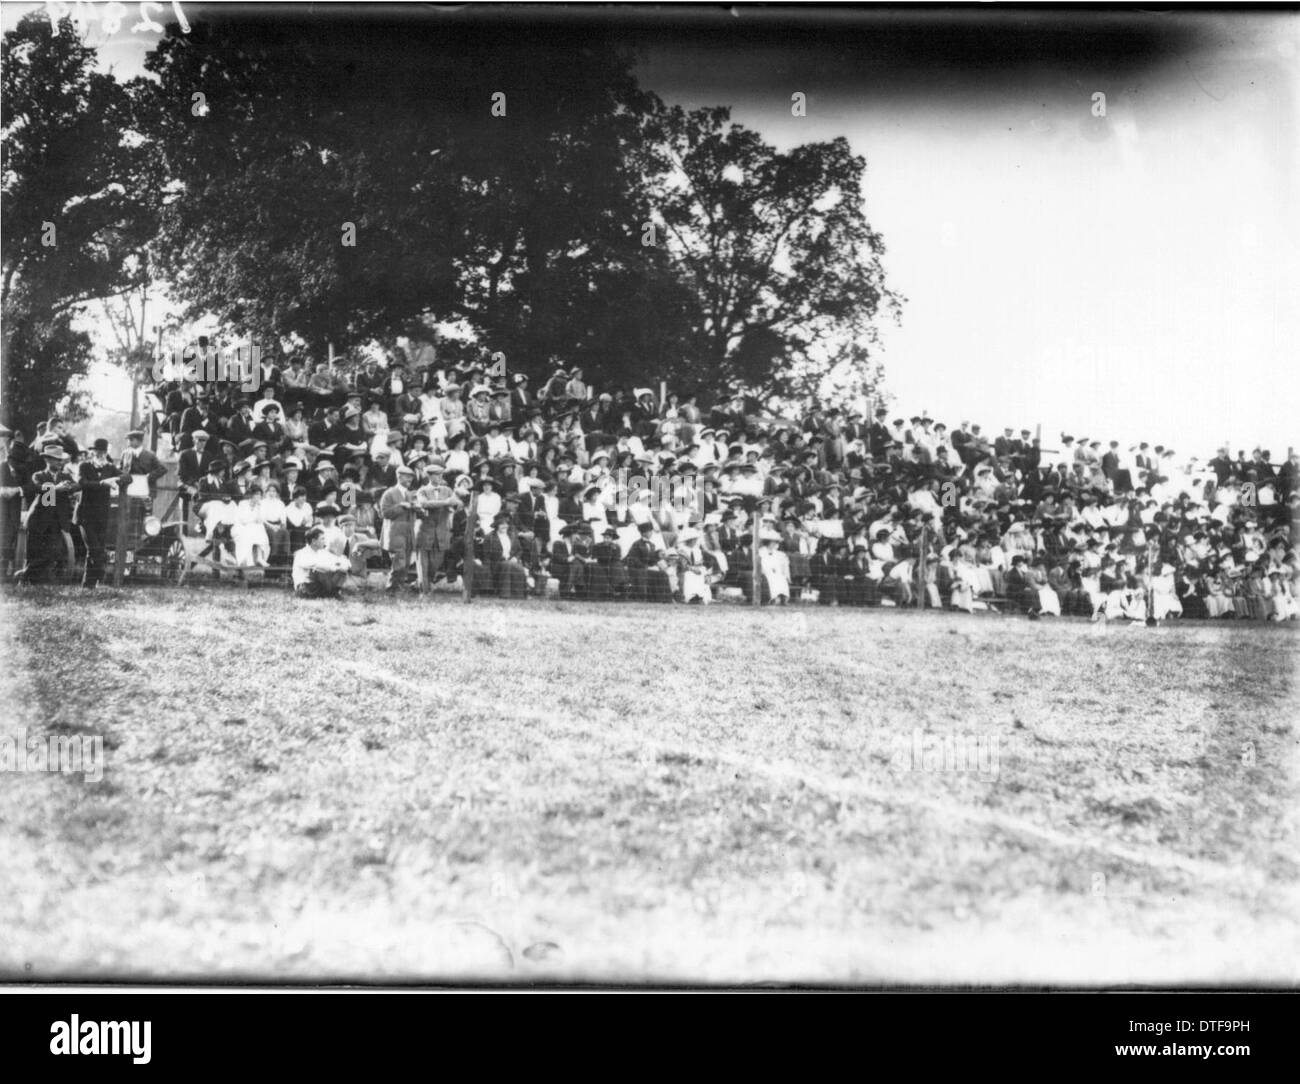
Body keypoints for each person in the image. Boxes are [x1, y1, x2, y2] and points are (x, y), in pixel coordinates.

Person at [75, 438, 123, 588]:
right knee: (95, 550)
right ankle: (99, 576)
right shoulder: (84, 466)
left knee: (95, 551)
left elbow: (128, 477)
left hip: (102, 516)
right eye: (98, 451)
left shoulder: (110, 468)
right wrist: (103, 483)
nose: (101, 454)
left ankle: (88, 585)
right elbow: (82, 483)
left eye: (103, 451)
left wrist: (118, 479)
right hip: (85, 515)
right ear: (93, 452)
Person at [412, 463, 461, 593]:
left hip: (441, 533)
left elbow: (456, 503)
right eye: (435, 475)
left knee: (435, 563)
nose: (439, 477)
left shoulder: (448, 490)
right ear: (429, 476)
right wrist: (445, 503)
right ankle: (424, 591)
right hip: (424, 531)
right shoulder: (422, 490)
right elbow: (424, 503)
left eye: (440, 474)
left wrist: (454, 503)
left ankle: (423, 583)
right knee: (423, 563)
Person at [380, 464, 420, 591]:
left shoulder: (410, 494)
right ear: (399, 477)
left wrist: (417, 508)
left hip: (408, 533)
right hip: (395, 534)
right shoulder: (389, 493)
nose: (410, 480)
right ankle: (391, 588)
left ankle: (399, 587)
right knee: (399, 563)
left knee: (406, 562)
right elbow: (385, 513)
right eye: (407, 477)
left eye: (411, 478)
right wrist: (401, 506)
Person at [293, 526, 350, 598]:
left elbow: (338, 560)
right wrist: (335, 567)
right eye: (322, 539)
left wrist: (342, 564)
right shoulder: (302, 553)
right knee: (320, 572)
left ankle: (333, 592)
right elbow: (316, 565)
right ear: (314, 541)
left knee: (341, 572)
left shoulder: (321, 552)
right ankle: (332, 593)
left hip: (316, 585)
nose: (325, 541)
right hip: (304, 588)